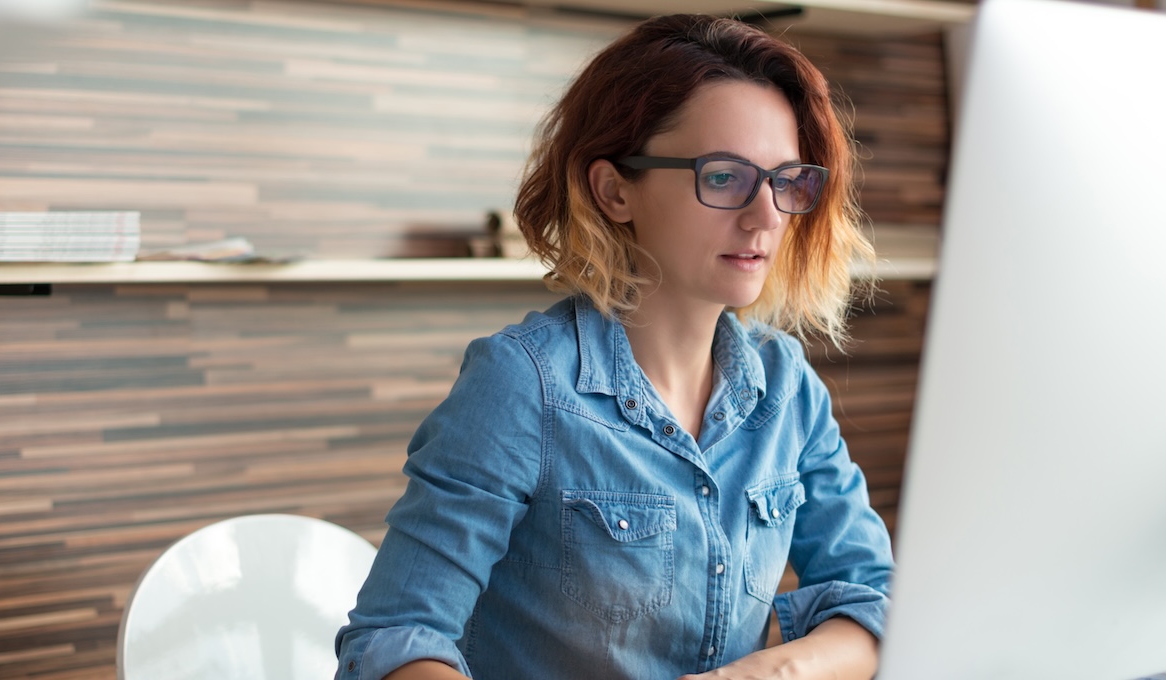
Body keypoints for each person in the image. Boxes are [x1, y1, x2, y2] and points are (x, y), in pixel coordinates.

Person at [335, 13, 893, 680]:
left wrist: (769, 673)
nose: (767, 216)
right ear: (614, 189)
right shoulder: (523, 383)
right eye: (723, 177)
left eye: (786, 180)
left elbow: (875, 600)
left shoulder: (787, 387)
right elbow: (397, 638)